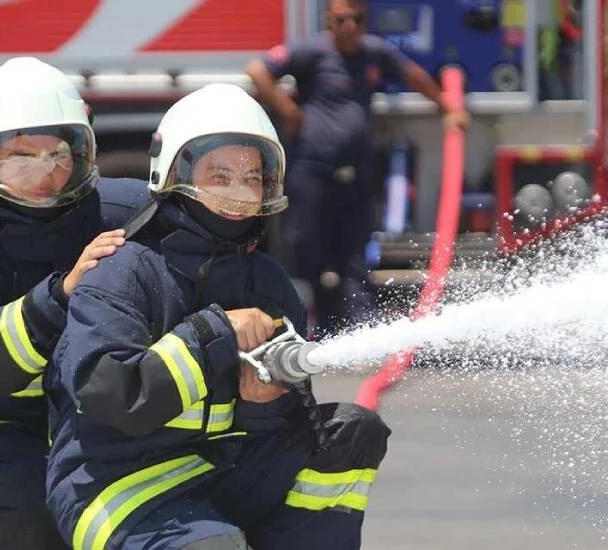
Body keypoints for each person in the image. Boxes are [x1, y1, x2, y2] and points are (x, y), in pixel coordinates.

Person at [45, 83, 391, 550]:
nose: (238, 190)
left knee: (352, 430)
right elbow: (110, 395)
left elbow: (289, 421)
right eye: (219, 174)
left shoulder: (268, 283)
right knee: (215, 545)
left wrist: (263, 404)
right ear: (174, 173)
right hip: (118, 484)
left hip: (217, 470)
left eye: (251, 177)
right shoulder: (123, 270)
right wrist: (212, 331)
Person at [0, 57, 150, 549]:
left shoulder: (127, 211)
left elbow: (201, 239)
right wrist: (57, 298)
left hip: (88, 416)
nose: (44, 173)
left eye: (57, 154)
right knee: (24, 512)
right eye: (20, 157)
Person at [246, 0, 469, 336]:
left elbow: (414, 75)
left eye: (357, 19)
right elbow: (258, 71)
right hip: (313, 170)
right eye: (341, 20)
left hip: (356, 170)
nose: (349, 26)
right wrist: (287, 111)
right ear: (329, 20)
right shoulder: (311, 52)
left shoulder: (374, 52)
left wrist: (447, 107)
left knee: (356, 251)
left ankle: (359, 328)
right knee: (309, 246)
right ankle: (314, 320)